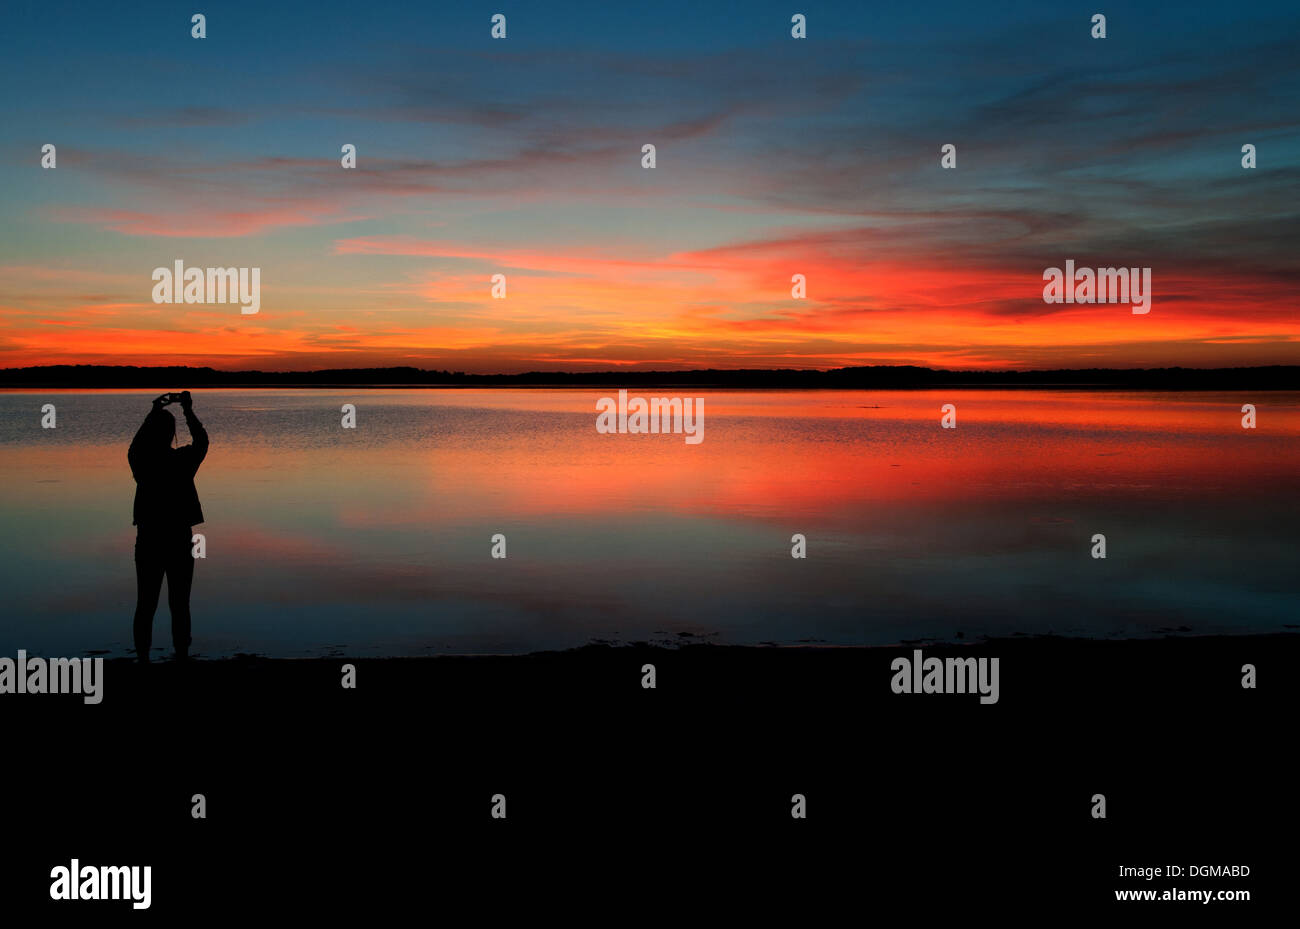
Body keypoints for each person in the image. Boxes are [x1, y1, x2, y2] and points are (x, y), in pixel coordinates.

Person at [128, 390, 208, 662]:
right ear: (170, 434)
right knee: (180, 604)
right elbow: (202, 441)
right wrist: (187, 410)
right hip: (179, 540)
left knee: (145, 604)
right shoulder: (181, 462)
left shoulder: (143, 464)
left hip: (149, 540)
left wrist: (153, 412)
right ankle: (182, 655)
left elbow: (134, 448)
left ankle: (142, 658)